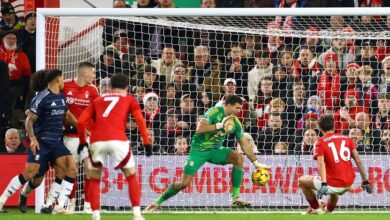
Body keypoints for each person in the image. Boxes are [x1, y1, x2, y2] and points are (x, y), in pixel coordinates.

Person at [145, 95, 270, 212]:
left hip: (215, 150)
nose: (239, 110)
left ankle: (236, 199)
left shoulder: (235, 122)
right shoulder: (214, 112)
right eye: (237, 107)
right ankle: (157, 202)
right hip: (198, 150)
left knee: (238, 157)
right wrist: (220, 125)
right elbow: (200, 128)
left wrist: (256, 162)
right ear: (228, 105)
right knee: (183, 183)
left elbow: (243, 143)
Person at [0, 69, 78, 213]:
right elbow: (29, 120)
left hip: (56, 142)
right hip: (41, 142)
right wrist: (33, 139)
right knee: (32, 176)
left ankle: (58, 205)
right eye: (62, 78)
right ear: (56, 80)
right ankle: (4, 200)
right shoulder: (41, 97)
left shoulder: (61, 97)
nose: (64, 81)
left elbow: (67, 115)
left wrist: (83, 127)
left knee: (70, 169)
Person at [77, 74, 152, 220]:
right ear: (127, 87)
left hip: (96, 140)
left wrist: (81, 142)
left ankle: (95, 215)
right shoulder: (130, 99)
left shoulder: (98, 100)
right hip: (118, 140)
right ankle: (137, 214)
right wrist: (146, 142)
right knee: (131, 175)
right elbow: (140, 121)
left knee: (94, 178)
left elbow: (80, 122)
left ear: (110, 87)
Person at [299, 115, 372, 215]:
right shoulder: (347, 139)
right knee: (333, 192)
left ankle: (316, 208)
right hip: (349, 183)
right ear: (334, 127)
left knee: (302, 181)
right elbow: (358, 160)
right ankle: (329, 212)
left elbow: (321, 163)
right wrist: (365, 181)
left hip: (332, 185)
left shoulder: (320, 142)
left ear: (320, 129)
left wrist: (324, 183)